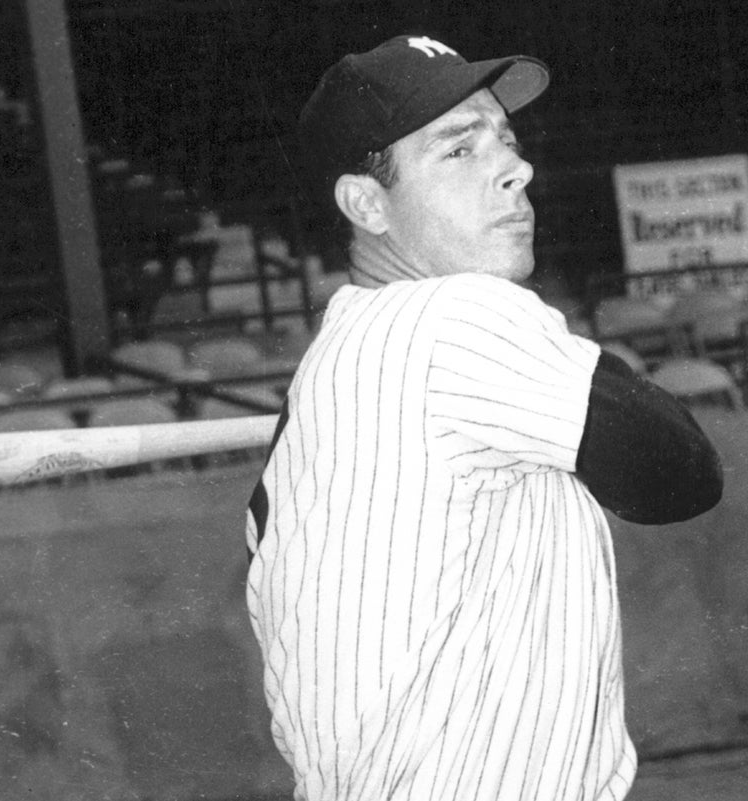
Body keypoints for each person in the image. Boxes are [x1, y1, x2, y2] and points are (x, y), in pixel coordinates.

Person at [245, 34, 723, 801]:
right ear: (366, 204)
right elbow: (679, 473)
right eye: (458, 151)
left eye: (506, 139)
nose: (515, 166)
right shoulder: (452, 318)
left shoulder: (340, 364)